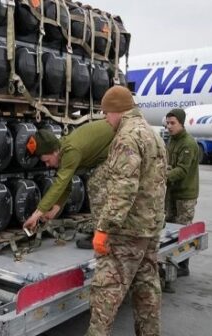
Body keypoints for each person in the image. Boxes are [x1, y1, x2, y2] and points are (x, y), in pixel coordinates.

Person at [86, 85, 167, 336]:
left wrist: (103, 228)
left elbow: (124, 188)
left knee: (106, 289)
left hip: (128, 231)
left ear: (117, 111)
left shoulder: (126, 137)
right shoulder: (153, 134)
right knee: (146, 286)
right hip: (150, 227)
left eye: (106, 113)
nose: (105, 119)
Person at [22, 121, 115, 249]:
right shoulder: (63, 151)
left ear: (55, 151)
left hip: (119, 144)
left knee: (96, 185)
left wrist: (36, 215)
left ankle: (103, 236)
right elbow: (66, 185)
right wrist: (54, 210)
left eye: (47, 160)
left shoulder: (70, 151)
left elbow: (59, 184)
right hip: (110, 149)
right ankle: (104, 231)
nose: (47, 165)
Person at [163, 108, 200, 293]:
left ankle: (183, 265)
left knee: (183, 230)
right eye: (167, 123)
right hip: (172, 193)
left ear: (181, 123)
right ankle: (172, 262)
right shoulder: (172, 141)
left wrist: (162, 176)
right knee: (170, 230)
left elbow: (182, 170)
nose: (169, 127)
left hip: (185, 195)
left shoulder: (188, 144)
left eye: (172, 123)